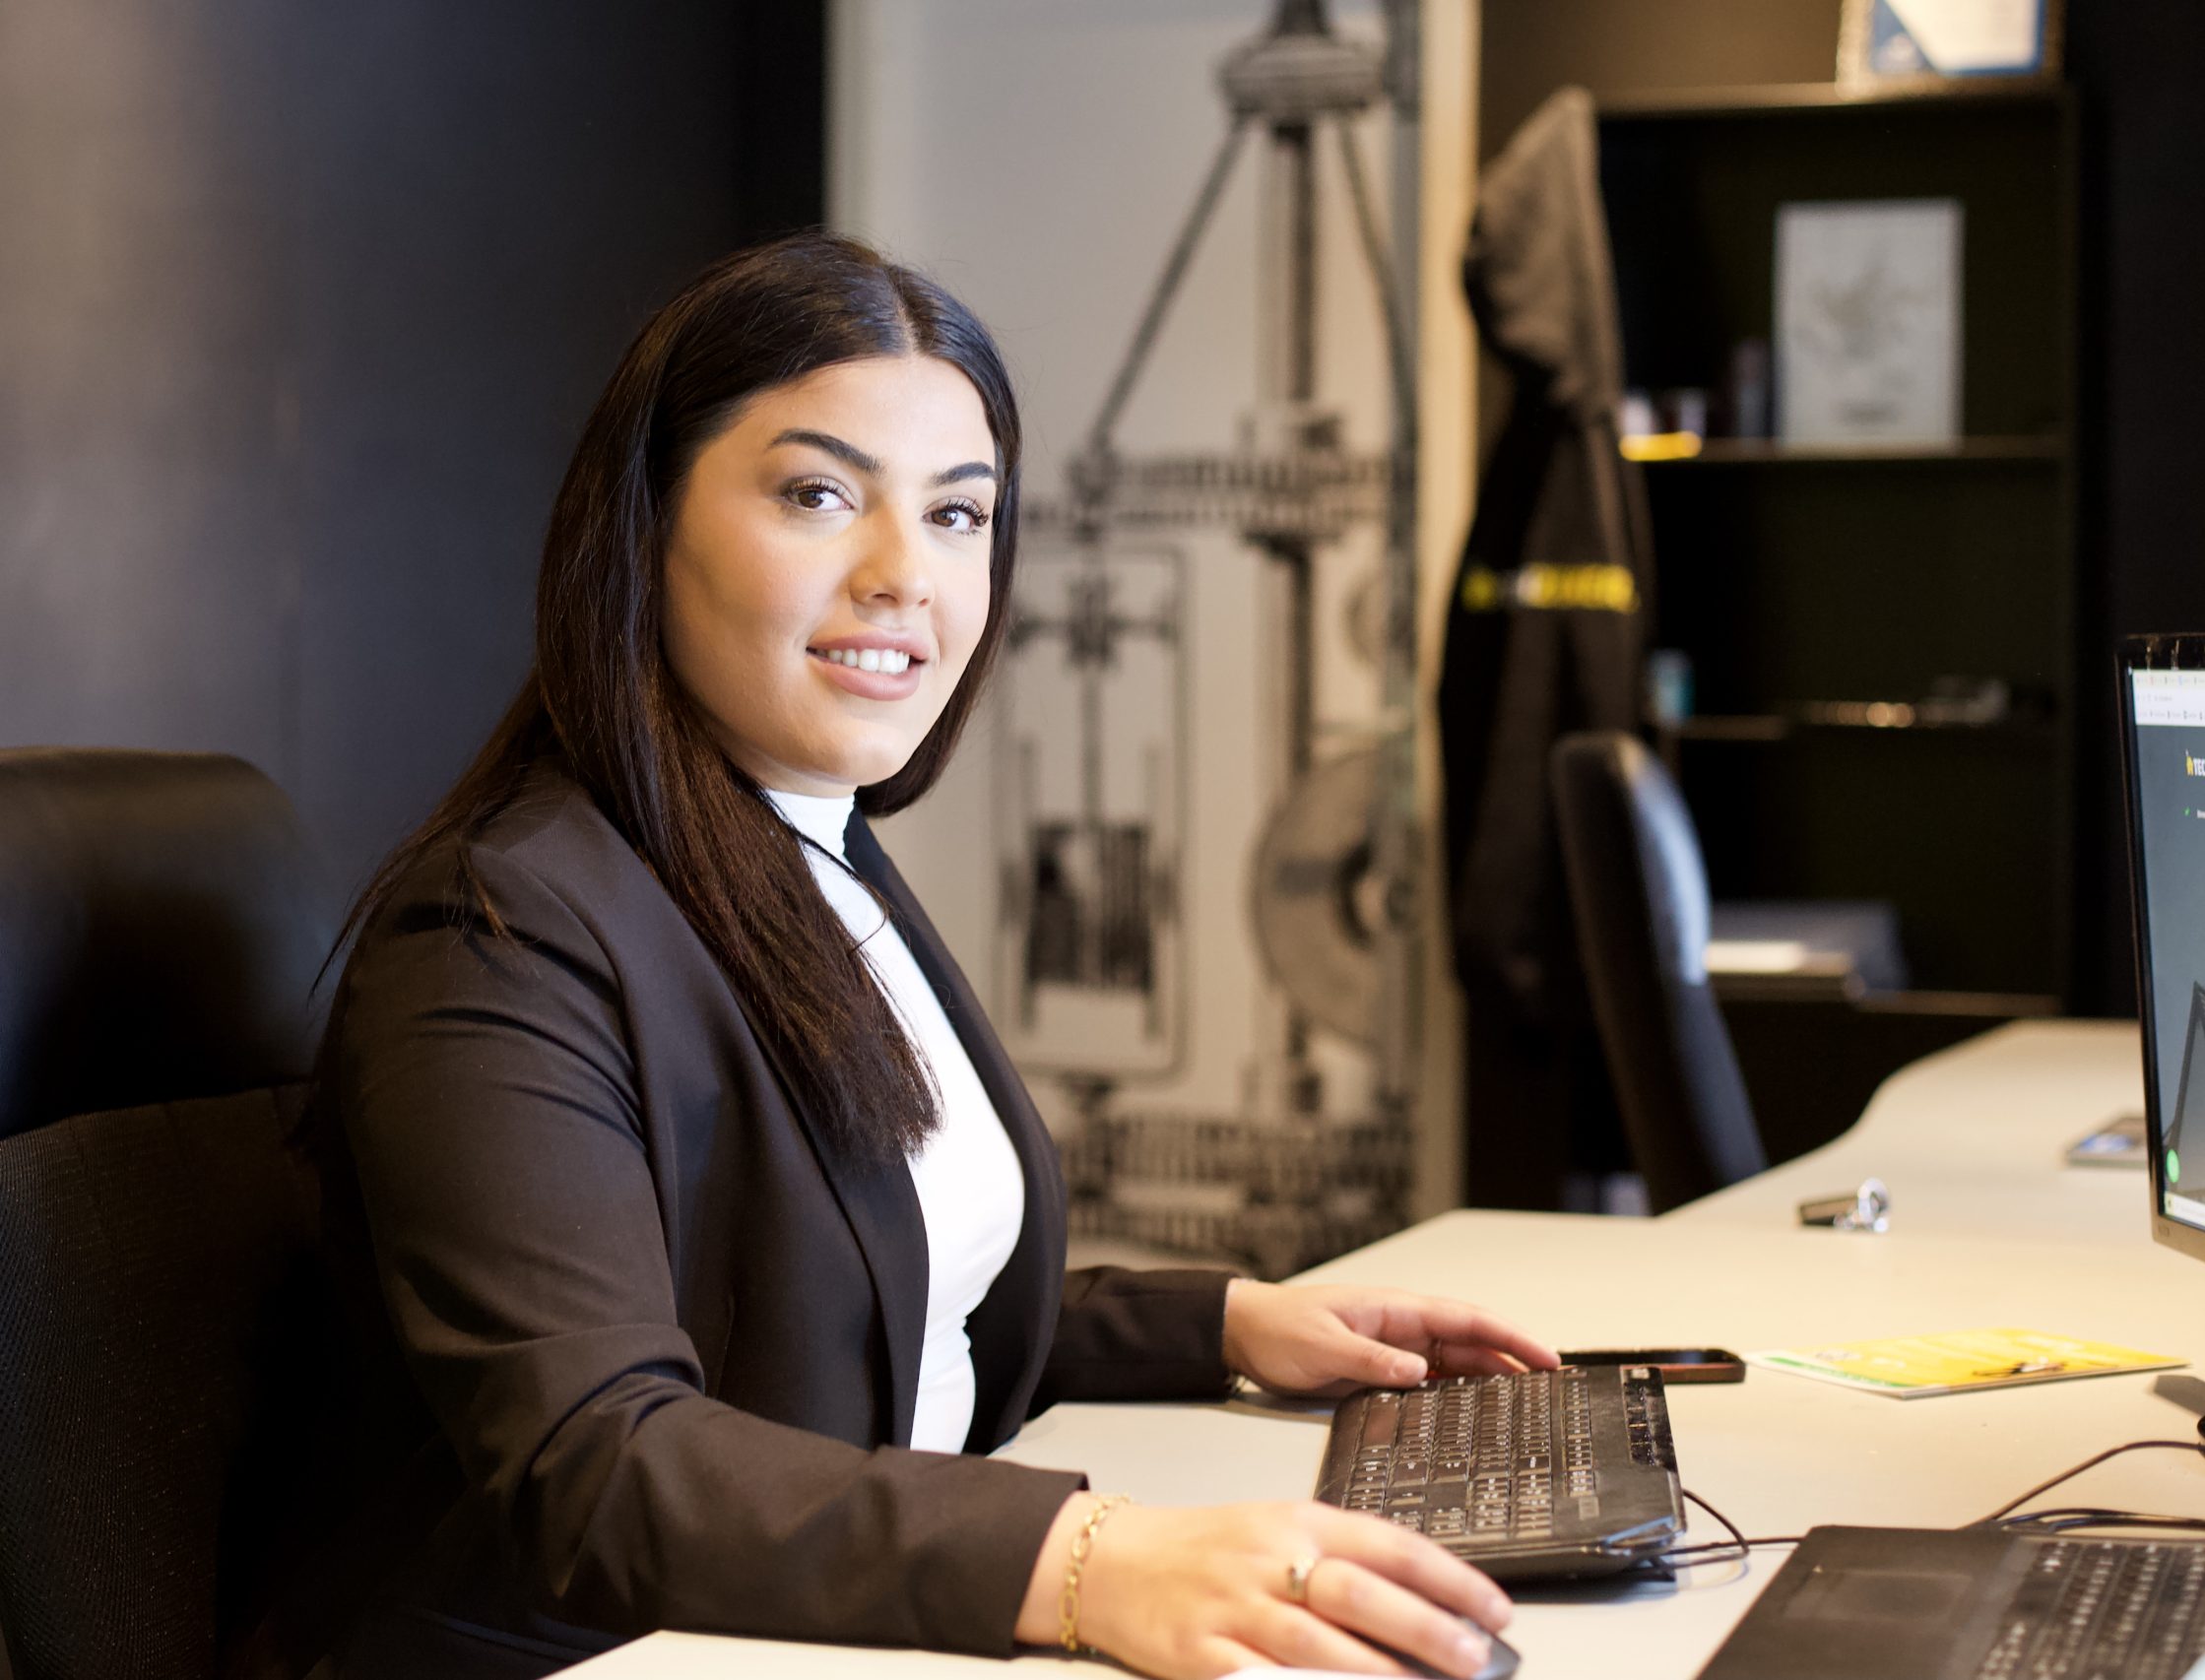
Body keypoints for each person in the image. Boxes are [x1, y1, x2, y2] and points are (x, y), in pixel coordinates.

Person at [314, 232, 1552, 1680]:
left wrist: (1224, 1319)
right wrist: (1083, 1555)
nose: (906, 574)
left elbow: (860, 1296)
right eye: (819, 494)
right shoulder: (498, 933)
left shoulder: (804, 853)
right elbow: (599, 1464)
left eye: (960, 515)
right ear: (644, 524)